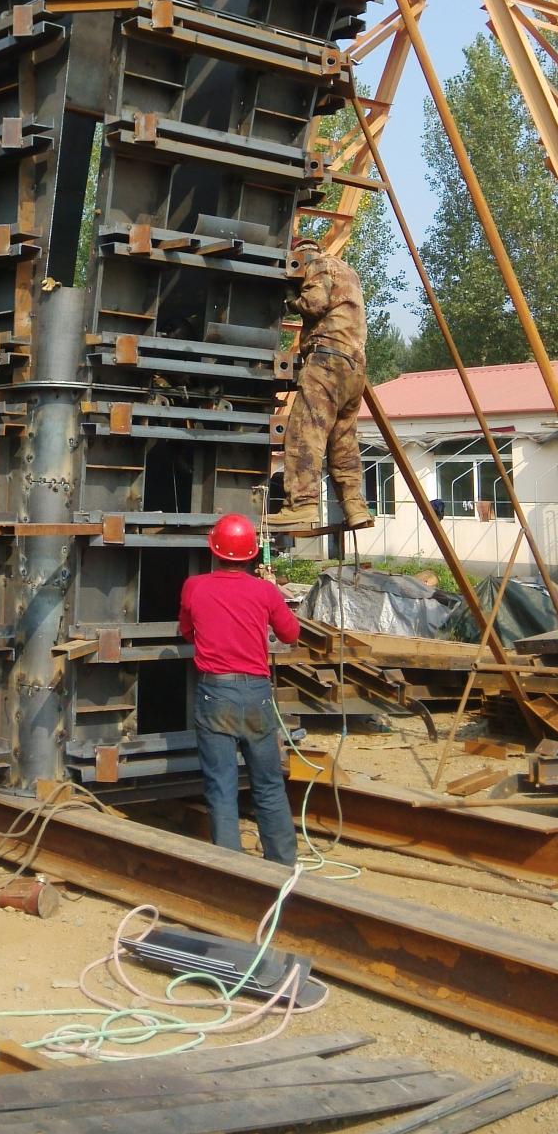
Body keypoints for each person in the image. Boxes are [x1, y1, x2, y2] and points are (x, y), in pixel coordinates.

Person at [179, 514, 300, 865]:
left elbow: (187, 631)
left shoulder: (194, 586)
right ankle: (282, 864)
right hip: (257, 695)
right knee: (269, 784)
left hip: (215, 694)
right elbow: (291, 635)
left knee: (221, 788)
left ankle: (230, 870)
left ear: (213, 551)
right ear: (252, 554)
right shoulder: (264, 591)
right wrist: (272, 590)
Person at [270, 233, 371, 532]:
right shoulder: (346, 269)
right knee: (343, 441)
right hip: (355, 367)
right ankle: (354, 507)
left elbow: (314, 303)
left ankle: (300, 506)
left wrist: (289, 297)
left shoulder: (317, 265)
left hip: (327, 359)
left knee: (305, 432)